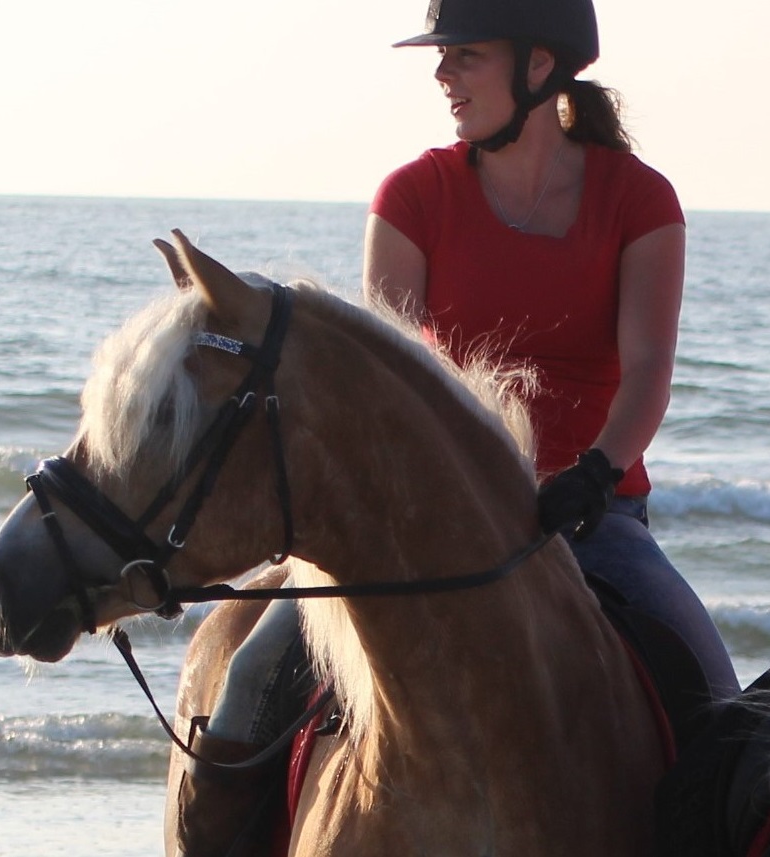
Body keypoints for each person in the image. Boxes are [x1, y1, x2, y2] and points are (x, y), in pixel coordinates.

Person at [175, 0, 732, 851]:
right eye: (443, 57)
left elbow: (650, 365)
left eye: (464, 55)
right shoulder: (414, 195)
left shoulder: (640, 199)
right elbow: (378, 384)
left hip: (593, 516)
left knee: (717, 708)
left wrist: (594, 471)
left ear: (538, 67)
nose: (442, 75)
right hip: (422, 526)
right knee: (248, 688)